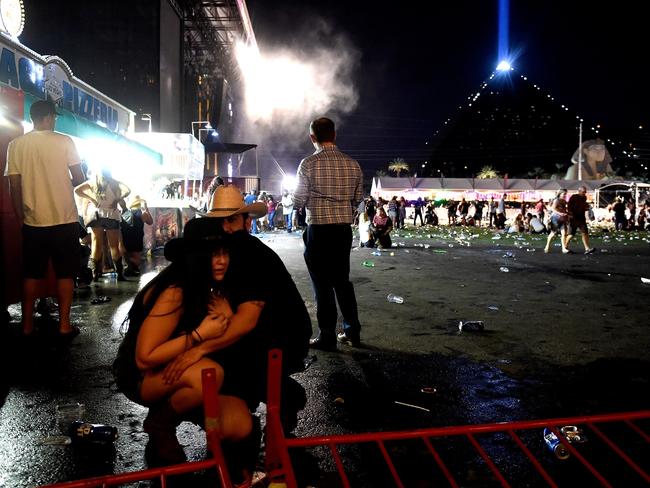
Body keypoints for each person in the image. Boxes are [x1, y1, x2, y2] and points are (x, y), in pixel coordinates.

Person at [112, 231, 254, 467]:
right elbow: (144, 359)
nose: (222, 261)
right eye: (213, 255)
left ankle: (174, 410)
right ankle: (160, 424)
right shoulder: (175, 292)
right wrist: (200, 335)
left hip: (177, 372)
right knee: (209, 375)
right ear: (197, 257)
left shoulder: (208, 285)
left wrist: (226, 316)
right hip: (141, 377)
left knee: (239, 425)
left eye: (225, 253)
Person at [5, 99, 86, 337]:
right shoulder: (65, 141)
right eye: (55, 117)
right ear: (49, 117)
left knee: (32, 273)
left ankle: (27, 325)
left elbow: (14, 185)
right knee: (65, 273)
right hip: (65, 219)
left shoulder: (16, 145)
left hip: (33, 221)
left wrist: (21, 217)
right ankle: (64, 325)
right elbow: (80, 178)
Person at [294, 117, 363, 350]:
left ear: (313, 137)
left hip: (319, 231)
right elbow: (358, 199)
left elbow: (299, 199)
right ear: (334, 135)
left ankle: (327, 335)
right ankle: (352, 331)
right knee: (342, 281)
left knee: (322, 284)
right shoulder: (353, 164)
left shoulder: (308, 164)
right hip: (343, 231)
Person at [75, 169, 131, 281]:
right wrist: (118, 199)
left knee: (96, 245)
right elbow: (128, 190)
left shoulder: (93, 182)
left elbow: (77, 190)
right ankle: (120, 274)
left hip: (97, 216)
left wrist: (92, 199)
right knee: (114, 246)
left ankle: (95, 274)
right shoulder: (114, 182)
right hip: (112, 215)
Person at [120, 195, 154, 276]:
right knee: (136, 258)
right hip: (137, 238)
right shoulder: (142, 214)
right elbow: (150, 222)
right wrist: (146, 209)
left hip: (126, 238)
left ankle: (128, 267)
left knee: (127, 255)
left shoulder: (125, 213)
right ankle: (133, 268)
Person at [565, 186, 596, 254]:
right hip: (574, 218)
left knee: (585, 232)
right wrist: (570, 215)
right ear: (579, 191)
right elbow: (569, 206)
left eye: (585, 192)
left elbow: (583, 206)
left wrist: (587, 208)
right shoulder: (574, 197)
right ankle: (565, 247)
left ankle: (587, 248)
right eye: (583, 192)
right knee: (571, 234)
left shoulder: (584, 197)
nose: (585, 193)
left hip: (581, 218)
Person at [544, 189, 570, 254]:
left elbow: (564, 209)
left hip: (562, 219)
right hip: (555, 218)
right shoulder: (556, 200)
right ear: (560, 194)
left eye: (565, 194)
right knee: (553, 233)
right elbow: (552, 209)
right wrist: (560, 213)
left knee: (564, 233)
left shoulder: (564, 201)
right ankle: (547, 246)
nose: (565, 195)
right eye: (564, 194)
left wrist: (567, 213)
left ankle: (564, 249)